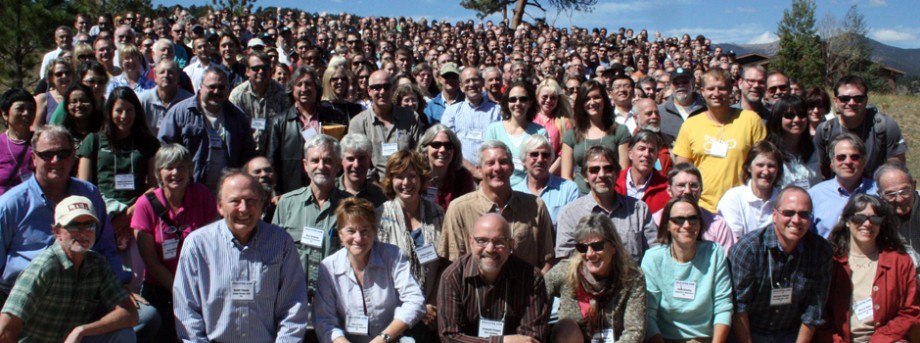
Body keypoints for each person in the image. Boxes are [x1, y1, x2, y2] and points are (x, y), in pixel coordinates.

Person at [173, 171, 308, 342]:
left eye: (251, 200)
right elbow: (187, 310)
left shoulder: (281, 243)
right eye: (235, 201)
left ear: (261, 205)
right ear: (220, 206)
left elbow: (293, 306)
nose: (243, 208)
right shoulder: (197, 245)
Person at [0, 196, 137, 342]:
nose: (83, 232)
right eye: (73, 225)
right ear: (57, 231)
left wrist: (82, 330)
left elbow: (129, 312)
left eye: (89, 225)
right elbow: (6, 325)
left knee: (124, 335)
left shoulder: (97, 264)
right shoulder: (44, 267)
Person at [131, 143, 215, 343]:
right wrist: (180, 290)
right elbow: (151, 262)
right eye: (169, 167)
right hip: (160, 289)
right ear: (159, 172)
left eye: (181, 167)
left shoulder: (202, 195)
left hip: (200, 286)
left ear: (190, 170)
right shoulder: (145, 204)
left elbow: (214, 242)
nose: (175, 172)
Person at [314, 197, 427, 343]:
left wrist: (383, 338)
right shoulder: (328, 267)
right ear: (340, 234)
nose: (358, 238)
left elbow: (415, 300)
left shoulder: (393, 256)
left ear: (374, 231)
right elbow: (325, 321)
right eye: (351, 231)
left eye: (365, 230)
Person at [729, 186, 832, 342]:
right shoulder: (748, 249)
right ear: (774, 215)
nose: (796, 220)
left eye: (804, 214)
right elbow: (739, 307)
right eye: (789, 213)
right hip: (749, 332)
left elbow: (813, 310)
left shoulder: (820, 251)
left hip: (790, 334)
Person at [439, 140, 556, 273]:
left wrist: (534, 290)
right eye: (490, 163)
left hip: (525, 290)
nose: (497, 168)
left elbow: (548, 260)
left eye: (503, 162)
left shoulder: (535, 207)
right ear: (478, 170)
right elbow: (452, 264)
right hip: (475, 292)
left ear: (512, 168)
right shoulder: (459, 209)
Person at [820, 194, 920, 342]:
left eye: (875, 219)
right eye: (859, 218)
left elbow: (911, 311)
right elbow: (820, 313)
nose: (867, 224)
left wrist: (882, 338)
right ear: (847, 221)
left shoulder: (900, 261)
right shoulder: (831, 262)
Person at [438, 213, 550, 342]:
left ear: (511, 245)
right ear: (471, 242)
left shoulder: (531, 277)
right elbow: (449, 337)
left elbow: (532, 338)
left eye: (499, 242)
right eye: (482, 241)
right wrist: (501, 342)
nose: (490, 249)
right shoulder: (453, 277)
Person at [77, 87, 160, 252]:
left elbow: (154, 187)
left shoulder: (148, 144)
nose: (124, 116)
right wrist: (109, 225)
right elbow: (83, 186)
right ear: (110, 111)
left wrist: (130, 213)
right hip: (101, 215)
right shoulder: (93, 140)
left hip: (137, 215)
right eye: (119, 110)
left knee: (134, 275)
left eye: (129, 111)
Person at [673, 67, 766, 212]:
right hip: (703, 208)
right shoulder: (690, 125)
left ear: (730, 90)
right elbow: (681, 171)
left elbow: (763, 163)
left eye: (722, 88)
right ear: (702, 91)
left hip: (743, 207)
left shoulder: (750, 120)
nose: (716, 93)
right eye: (711, 89)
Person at [641, 196, 732, 343]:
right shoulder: (653, 259)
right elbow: (648, 313)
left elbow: (723, 306)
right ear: (667, 225)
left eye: (693, 218)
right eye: (679, 219)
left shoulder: (714, 253)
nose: (687, 225)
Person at [545, 213, 647, 343]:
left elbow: (635, 330)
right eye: (582, 248)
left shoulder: (631, 276)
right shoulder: (565, 272)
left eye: (597, 246)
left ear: (613, 246)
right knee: (565, 328)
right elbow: (537, 298)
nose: (590, 254)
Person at [157, 67, 257, 193]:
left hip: (227, 192)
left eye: (222, 87)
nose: (217, 91)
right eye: (212, 87)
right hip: (189, 190)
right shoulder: (180, 113)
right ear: (201, 87)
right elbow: (165, 149)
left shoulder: (238, 117)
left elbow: (248, 156)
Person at [557, 145, 657, 263]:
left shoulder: (639, 210)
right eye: (594, 170)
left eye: (608, 169)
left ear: (617, 173)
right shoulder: (570, 214)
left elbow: (654, 257)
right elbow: (565, 263)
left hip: (630, 280)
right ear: (585, 176)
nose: (602, 175)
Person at [267, 65, 348, 194]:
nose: (304, 89)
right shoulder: (280, 121)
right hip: (292, 190)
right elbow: (272, 162)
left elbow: (343, 153)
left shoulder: (334, 117)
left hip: (328, 189)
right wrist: (275, 193)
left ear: (317, 89)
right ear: (292, 89)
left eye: (309, 84)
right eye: (299, 84)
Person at [814, 75, 907, 179]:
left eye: (858, 99)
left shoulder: (885, 126)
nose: (852, 103)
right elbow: (821, 170)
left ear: (866, 100)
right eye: (845, 98)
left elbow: (897, 168)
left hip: (875, 191)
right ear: (836, 101)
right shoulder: (824, 130)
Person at [347, 70, 423, 181]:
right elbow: (356, 161)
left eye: (386, 87)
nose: (382, 91)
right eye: (377, 87)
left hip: (405, 184)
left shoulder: (411, 118)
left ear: (393, 89)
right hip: (372, 188)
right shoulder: (358, 123)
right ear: (369, 91)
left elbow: (418, 155)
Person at [560, 79, 630, 194]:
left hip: (611, 195)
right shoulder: (571, 135)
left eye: (596, 97)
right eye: (587, 99)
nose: (592, 102)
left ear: (604, 100)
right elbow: (566, 176)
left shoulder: (620, 131)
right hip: (580, 197)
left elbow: (623, 171)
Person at [809, 133, 878, 238]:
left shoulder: (877, 192)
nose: (848, 161)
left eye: (854, 157)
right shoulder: (814, 196)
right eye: (841, 157)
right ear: (832, 163)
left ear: (863, 162)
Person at [441, 66, 503, 178]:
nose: (472, 84)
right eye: (467, 81)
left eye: (475, 80)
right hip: (460, 174)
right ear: (461, 87)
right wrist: (473, 170)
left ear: (482, 83)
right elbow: (448, 146)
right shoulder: (451, 112)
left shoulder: (498, 111)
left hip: (491, 174)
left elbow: (502, 143)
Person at [484, 81, 548, 187]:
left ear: (530, 102)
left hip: (528, 191)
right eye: (512, 99)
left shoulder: (540, 132)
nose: (517, 103)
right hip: (498, 187)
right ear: (507, 103)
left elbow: (541, 167)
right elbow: (487, 163)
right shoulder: (494, 129)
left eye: (523, 99)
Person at [717, 141, 784, 240]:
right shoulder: (733, 198)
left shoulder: (783, 200)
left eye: (771, 166)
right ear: (748, 167)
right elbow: (732, 240)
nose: (766, 172)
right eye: (760, 165)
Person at [512, 135, 579, 230]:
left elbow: (574, 229)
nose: (540, 160)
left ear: (551, 160)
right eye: (534, 154)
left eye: (545, 155)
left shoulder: (568, 189)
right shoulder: (514, 194)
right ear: (523, 160)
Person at [229, 51, 291, 154]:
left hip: (274, 152)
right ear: (247, 71)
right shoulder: (237, 95)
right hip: (245, 152)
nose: (261, 71)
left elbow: (287, 126)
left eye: (265, 68)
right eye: (256, 68)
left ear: (270, 70)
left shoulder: (282, 94)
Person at [765, 96, 822, 189]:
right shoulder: (768, 152)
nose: (797, 120)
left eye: (801, 114)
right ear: (778, 118)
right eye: (790, 115)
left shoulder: (812, 149)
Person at [416, 124, 475, 210]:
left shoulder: (463, 177)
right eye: (436, 145)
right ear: (424, 149)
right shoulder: (416, 176)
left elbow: (468, 211)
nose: (443, 150)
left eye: (448, 146)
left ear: (454, 150)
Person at [615, 130, 670, 213]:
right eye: (642, 149)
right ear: (630, 153)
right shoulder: (614, 183)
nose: (646, 154)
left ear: (656, 157)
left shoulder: (666, 188)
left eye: (651, 150)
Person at [874, 162, 920, 253]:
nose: (899, 199)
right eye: (891, 194)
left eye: (904, 191)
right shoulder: (877, 219)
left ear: (914, 185)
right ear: (880, 194)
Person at [139, 59, 194, 131]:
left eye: (170, 72)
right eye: (162, 72)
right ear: (155, 77)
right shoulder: (143, 100)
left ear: (177, 77)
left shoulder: (189, 101)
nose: (166, 75)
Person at [533, 78, 573, 175]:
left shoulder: (565, 122)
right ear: (537, 96)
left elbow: (563, 153)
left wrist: (548, 173)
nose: (548, 100)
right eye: (545, 97)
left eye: (553, 98)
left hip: (554, 174)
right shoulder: (530, 118)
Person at [0, 89, 36, 196]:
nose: (26, 113)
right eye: (20, 109)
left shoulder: (42, 141)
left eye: (31, 109)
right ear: (5, 114)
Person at [657, 68, 707, 143]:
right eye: (676, 83)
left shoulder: (707, 110)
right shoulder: (659, 112)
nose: (680, 86)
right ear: (670, 85)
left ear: (692, 83)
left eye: (685, 82)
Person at [338, 133, 388, 207]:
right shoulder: (329, 191)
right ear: (341, 160)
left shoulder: (380, 196)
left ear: (369, 159)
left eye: (361, 158)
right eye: (350, 159)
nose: (356, 165)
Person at [633, 98, 673, 174]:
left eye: (657, 113)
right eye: (649, 113)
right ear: (635, 118)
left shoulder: (670, 142)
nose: (654, 116)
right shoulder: (628, 144)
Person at [33, 58, 73, 127]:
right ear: (51, 77)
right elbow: (36, 128)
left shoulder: (79, 96)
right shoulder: (43, 99)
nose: (64, 76)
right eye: (59, 74)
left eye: (67, 73)